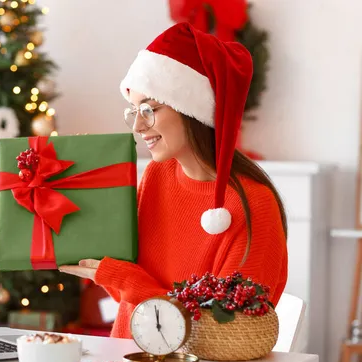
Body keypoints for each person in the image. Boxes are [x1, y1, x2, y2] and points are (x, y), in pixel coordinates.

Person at [59, 22, 288, 339]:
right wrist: (96, 253)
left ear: (192, 110)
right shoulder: (157, 174)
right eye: (133, 110)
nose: (138, 125)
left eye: (149, 109)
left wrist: (126, 279)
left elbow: (225, 331)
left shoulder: (252, 205)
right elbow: (131, 297)